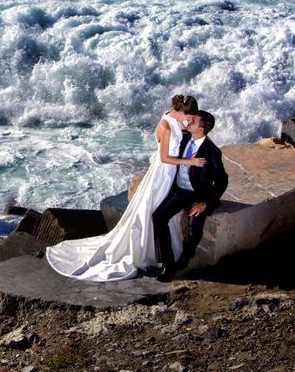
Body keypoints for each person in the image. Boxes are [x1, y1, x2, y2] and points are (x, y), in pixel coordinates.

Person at [45, 95, 205, 282]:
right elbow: (164, 158)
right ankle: (149, 254)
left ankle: (159, 253)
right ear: (181, 112)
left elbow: (177, 133)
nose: (189, 121)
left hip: (170, 174)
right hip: (163, 174)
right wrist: (190, 161)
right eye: (188, 116)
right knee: (153, 211)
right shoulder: (167, 126)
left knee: (159, 212)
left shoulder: (173, 118)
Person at [153, 110, 228, 281]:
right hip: (179, 190)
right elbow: (164, 130)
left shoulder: (211, 152)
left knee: (194, 227)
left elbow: (222, 181)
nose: (189, 120)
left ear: (201, 129)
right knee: (158, 217)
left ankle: (185, 259)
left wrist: (206, 204)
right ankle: (167, 262)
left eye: (194, 120)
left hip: (198, 195)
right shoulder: (184, 137)